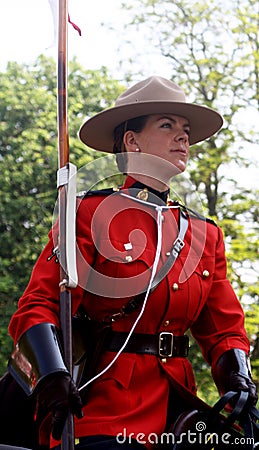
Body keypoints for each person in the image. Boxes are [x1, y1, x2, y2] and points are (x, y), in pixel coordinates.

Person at [7, 76, 257, 449]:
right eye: (167, 125)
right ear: (132, 140)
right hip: (104, 407)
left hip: (179, 409)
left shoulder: (205, 234)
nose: (183, 137)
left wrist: (238, 377)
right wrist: (51, 376)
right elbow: (38, 306)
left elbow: (223, 330)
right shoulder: (88, 214)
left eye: (186, 129)